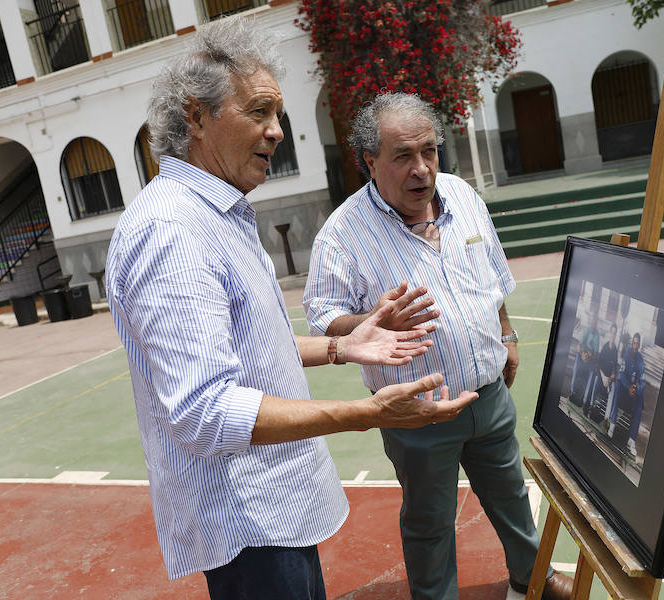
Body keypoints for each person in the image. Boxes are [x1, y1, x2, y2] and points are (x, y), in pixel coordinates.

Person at [105, 21, 477, 600]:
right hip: (249, 522)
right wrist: (367, 411)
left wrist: (342, 347)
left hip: (270, 509)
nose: (276, 132)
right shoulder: (173, 231)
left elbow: (250, 346)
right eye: (258, 111)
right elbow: (205, 410)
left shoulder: (213, 212)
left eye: (277, 114)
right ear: (196, 116)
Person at [303, 93, 573, 600]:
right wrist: (373, 320)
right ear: (369, 162)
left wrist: (507, 333)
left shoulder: (462, 196)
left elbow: (492, 275)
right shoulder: (341, 235)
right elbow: (324, 321)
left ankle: (532, 576)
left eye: (428, 151)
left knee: (511, 494)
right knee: (429, 519)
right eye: (403, 155)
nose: (421, 169)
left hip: (489, 391)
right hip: (415, 410)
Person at [607, 332, 647, 457]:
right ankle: (612, 425)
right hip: (625, 391)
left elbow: (643, 381)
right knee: (618, 385)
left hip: (633, 394)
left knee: (640, 403)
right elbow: (622, 374)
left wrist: (636, 388)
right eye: (633, 343)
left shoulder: (641, 361)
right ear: (632, 343)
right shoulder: (627, 354)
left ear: (639, 345)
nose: (635, 346)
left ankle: (632, 440)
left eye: (637, 344)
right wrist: (629, 386)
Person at [584, 322, 618, 420]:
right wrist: (603, 377)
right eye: (612, 332)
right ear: (609, 333)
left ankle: (606, 419)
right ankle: (590, 405)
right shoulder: (605, 347)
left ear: (616, 335)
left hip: (607, 380)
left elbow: (614, 370)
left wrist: (610, 378)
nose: (613, 335)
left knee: (613, 389)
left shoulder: (615, 351)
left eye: (615, 333)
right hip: (601, 375)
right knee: (596, 379)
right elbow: (598, 364)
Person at [570, 311, 599, 407]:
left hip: (590, 360)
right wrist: (583, 354)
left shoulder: (597, 336)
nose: (593, 325)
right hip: (582, 355)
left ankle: (585, 399)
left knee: (591, 373)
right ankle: (572, 391)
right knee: (576, 365)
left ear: (596, 324)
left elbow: (596, 354)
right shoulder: (586, 330)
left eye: (595, 324)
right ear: (590, 322)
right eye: (592, 323)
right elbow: (579, 346)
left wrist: (590, 355)